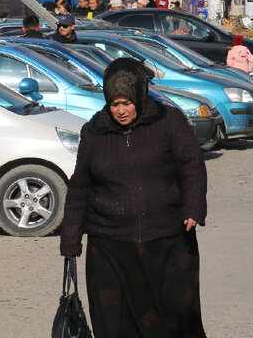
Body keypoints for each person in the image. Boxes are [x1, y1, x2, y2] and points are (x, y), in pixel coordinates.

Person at [60, 57, 208, 338]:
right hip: (110, 246)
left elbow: (191, 166)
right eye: (115, 104)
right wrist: (70, 239)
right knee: (117, 322)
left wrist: (193, 207)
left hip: (167, 241)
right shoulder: (94, 132)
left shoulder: (168, 121)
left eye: (127, 103)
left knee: (175, 316)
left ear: (140, 95)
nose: (121, 111)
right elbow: (80, 188)